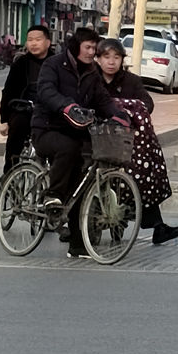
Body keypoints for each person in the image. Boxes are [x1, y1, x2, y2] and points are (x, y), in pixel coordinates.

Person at [31, 27, 129, 259]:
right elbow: (46, 91)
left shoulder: (92, 72)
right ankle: (51, 195)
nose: (91, 52)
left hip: (78, 132)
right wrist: (65, 106)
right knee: (68, 148)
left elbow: (102, 100)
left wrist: (118, 115)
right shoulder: (53, 65)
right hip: (46, 129)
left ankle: (77, 244)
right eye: (88, 47)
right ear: (76, 47)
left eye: (94, 48)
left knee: (82, 184)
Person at [95, 39, 178, 245]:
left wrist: (126, 107)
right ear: (98, 59)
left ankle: (157, 226)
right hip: (96, 138)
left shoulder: (131, 81)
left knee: (142, 170)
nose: (111, 62)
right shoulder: (91, 79)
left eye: (116, 57)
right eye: (106, 57)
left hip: (126, 141)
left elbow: (147, 104)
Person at [0, 25, 54, 174]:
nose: (33, 43)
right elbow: (8, 91)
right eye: (30, 40)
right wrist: (4, 120)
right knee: (17, 130)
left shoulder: (56, 63)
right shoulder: (20, 63)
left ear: (48, 42)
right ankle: (9, 177)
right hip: (24, 110)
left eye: (38, 39)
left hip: (50, 113)